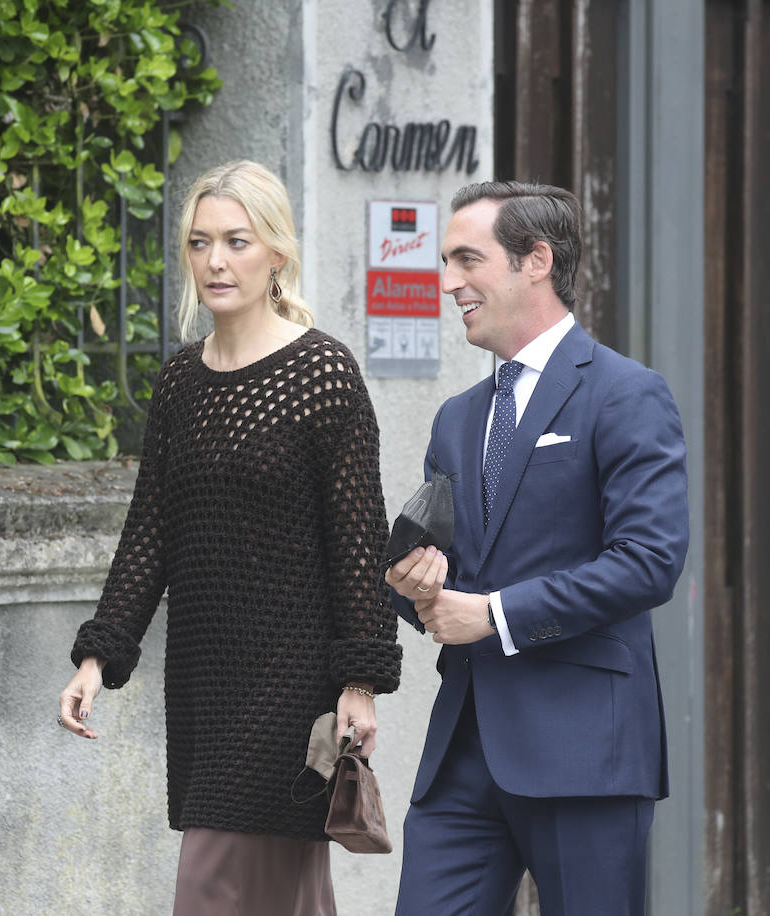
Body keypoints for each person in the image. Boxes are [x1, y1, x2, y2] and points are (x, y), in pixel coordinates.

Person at [59, 160, 402, 916]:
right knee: (276, 895)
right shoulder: (181, 380)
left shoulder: (323, 374)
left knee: (222, 887)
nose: (216, 261)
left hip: (291, 683)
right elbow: (150, 529)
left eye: (237, 241)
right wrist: (97, 655)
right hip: (206, 685)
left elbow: (358, 543)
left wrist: (359, 684)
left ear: (276, 254)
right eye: (200, 242)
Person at [386, 181, 689, 916]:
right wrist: (411, 584)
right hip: (462, 756)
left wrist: (493, 614)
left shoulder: (625, 394)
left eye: (466, 259)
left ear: (536, 261)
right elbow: (443, 583)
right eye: (445, 263)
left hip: (586, 753)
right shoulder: (457, 420)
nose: (448, 282)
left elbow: (649, 560)